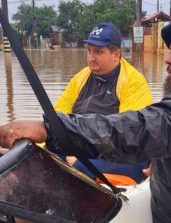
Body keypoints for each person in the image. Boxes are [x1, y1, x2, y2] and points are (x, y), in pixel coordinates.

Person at [0, 15, 171, 223]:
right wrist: (163, 163)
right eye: (90, 51)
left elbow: (135, 131)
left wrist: (49, 129)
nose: (167, 59)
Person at [53, 22, 152, 185]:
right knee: (41, 154)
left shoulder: (134, 82)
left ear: (116, 55)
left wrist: (79, 155)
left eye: (98, 52)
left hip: (125, 157)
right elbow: (57, 117)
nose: (91, 58)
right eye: (89, 51)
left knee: (80, 168)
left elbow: (127, 136)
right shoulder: (80, 78)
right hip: (82, 150)